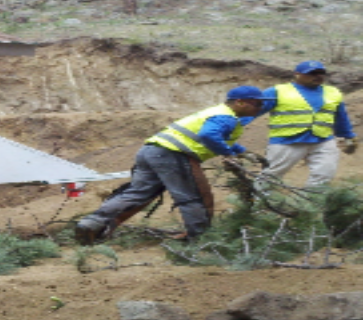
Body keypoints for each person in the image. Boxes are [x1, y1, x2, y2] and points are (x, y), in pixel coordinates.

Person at [75, 86, 267, 244]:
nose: (259, 108)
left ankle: (92, 223)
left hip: (150, 151)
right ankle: (200, 239)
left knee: (138, 193)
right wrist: (228, 153)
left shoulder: (218, 112)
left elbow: (218, 136)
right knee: (194, 197)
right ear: (240, 102)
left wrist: (241, 151)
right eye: (257, 104)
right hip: (174, 155)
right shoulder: (226, 117)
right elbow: (209, 135)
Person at [257, 60, 356, 187]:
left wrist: (348, 136)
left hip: (322, 141)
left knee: (324, 175)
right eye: (312, 73)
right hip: (287, 141)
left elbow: (340, 116)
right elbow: (251, 111)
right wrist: (230, 128)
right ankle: (257, 204)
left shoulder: (333, 92)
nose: (318, 76)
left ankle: (310, 204)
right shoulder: (277, 91)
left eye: (321, 73)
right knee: (272, 175)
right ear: (297, 75)